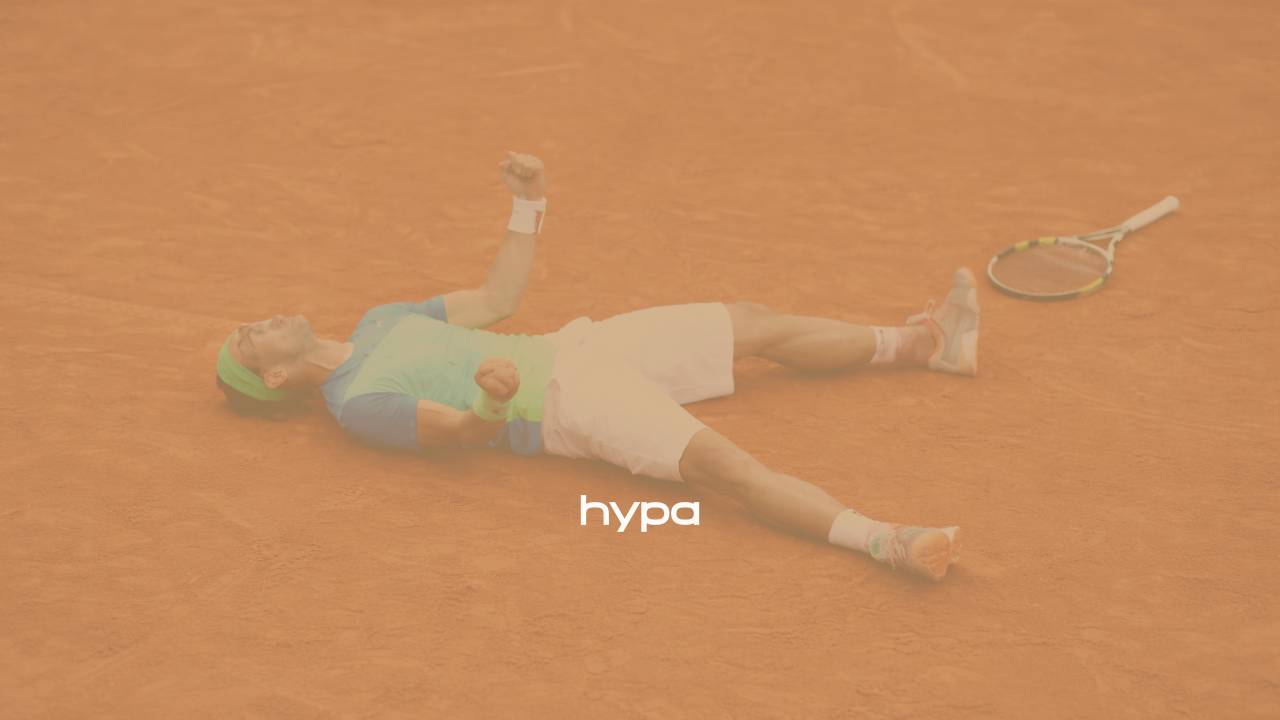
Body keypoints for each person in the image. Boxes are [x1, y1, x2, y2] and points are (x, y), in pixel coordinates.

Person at [215, 152, 979, 581]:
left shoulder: (381, 321)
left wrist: (529, 204)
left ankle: (922, 344)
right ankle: (885, 540)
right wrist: (493, 400)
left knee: (752, 324)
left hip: (580, 347)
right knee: (725, 469)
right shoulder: (356, 403)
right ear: (276, 380)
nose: (259, 323)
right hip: (563, 409)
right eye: (249, 342)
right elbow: (455, 433)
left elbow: (497, 295)